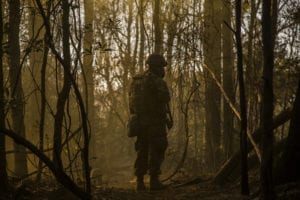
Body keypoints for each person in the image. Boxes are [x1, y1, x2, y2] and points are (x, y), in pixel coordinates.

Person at [128, 53, 172, 191]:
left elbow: (131, 102)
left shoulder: (136, 80)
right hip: (154, 123)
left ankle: (140, 182)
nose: (163, 70)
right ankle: (154, 181)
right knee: (157, 149)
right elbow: (165, 98)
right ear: (156, 67)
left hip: (140, 122)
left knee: (142, 150)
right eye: (161, 67)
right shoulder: (157, 81)